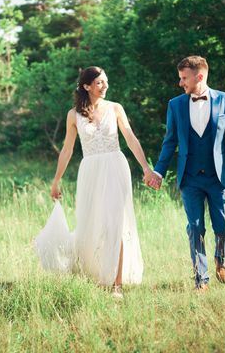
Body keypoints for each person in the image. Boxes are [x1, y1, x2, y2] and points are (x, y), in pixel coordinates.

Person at [36, 66, 150, 298]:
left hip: (115, 167)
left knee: (115, 223)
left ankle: (116, 284)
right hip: (90, 171)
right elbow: (67, 149)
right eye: (99, 82)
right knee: (93, 224)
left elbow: (130, 137)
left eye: (106, 81)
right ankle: (97, 275)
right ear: (86, 86)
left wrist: (146, 168)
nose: (105, 86)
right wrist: (56, 180)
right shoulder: (73, 115)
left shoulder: (115, 108)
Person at [145, 56, 225, 291]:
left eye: (184, 78)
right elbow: (169, 141)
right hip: (190, 178)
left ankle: (220, 259)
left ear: (199, 76)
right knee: (195, 226)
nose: (180, 83)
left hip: (219, 175)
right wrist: (158, 171)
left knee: (223, 225)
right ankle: (201, 278)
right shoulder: (176, 104)